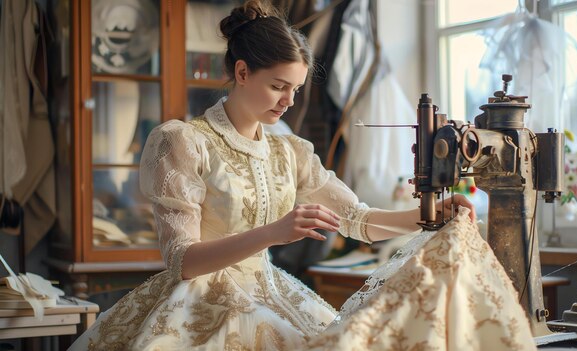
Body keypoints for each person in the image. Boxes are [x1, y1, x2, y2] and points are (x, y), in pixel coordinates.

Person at [69, 1, 536, 350]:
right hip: (198, 303)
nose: (288, 101)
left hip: (272, 294)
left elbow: (355, 220)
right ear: (241, 71)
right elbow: (181, 261)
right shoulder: (183, 141)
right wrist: (274, 232)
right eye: (277, 86)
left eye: (294, 89)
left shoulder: (289, 150)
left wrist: (427, 214)